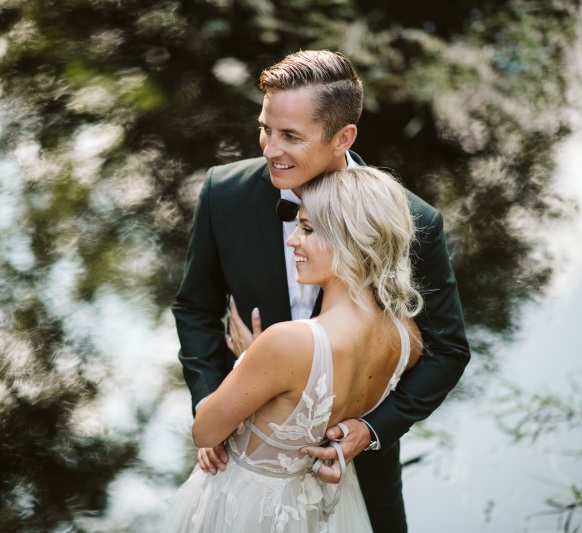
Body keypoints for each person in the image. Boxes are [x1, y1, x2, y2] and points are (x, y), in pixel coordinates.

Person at [171, 49, 470, 531]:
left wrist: (371, 432)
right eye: (265, 128)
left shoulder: (411, 221)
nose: (270, 149)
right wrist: (213, 407)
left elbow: (447, 350)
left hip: (359, 466)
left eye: (290, 136)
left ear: (342, 137)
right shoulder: (224, 193)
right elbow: (193, 307)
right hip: (249, 453)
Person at [164, 167, 424, 532]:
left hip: (249, 514)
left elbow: (205, 432)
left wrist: (248, 359)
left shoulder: (284, 343)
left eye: (307, 229)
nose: (292, 241)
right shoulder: (406, 338)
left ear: (350, 240)